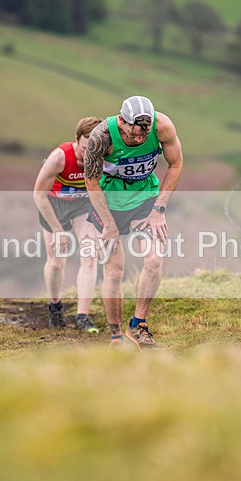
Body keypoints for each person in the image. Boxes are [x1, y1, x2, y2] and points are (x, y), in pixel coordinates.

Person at [83, 95, 184, 349]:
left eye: (144, 135)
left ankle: (138, 325)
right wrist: (109, 225)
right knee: (114, 270)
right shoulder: (101, 137)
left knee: (153, 260)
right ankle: (115, 335)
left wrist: (159, 209)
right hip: (108, 203)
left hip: (145, 199)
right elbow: (91, 181)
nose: (138, 140)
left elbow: (176, 163)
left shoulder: (162, 126)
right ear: (121, 121)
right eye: (132, 135)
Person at [33, 117, 103, 332]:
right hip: (53, 205)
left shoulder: (104, 157)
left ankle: (83, 316)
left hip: (82, 205)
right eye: (84, 149)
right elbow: (39, 195)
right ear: (76, 140)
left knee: (90, 256)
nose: (88, 155)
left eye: (93, 150)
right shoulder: (59, 157)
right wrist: (58, 230)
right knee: (56, 261)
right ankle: (55, 306)